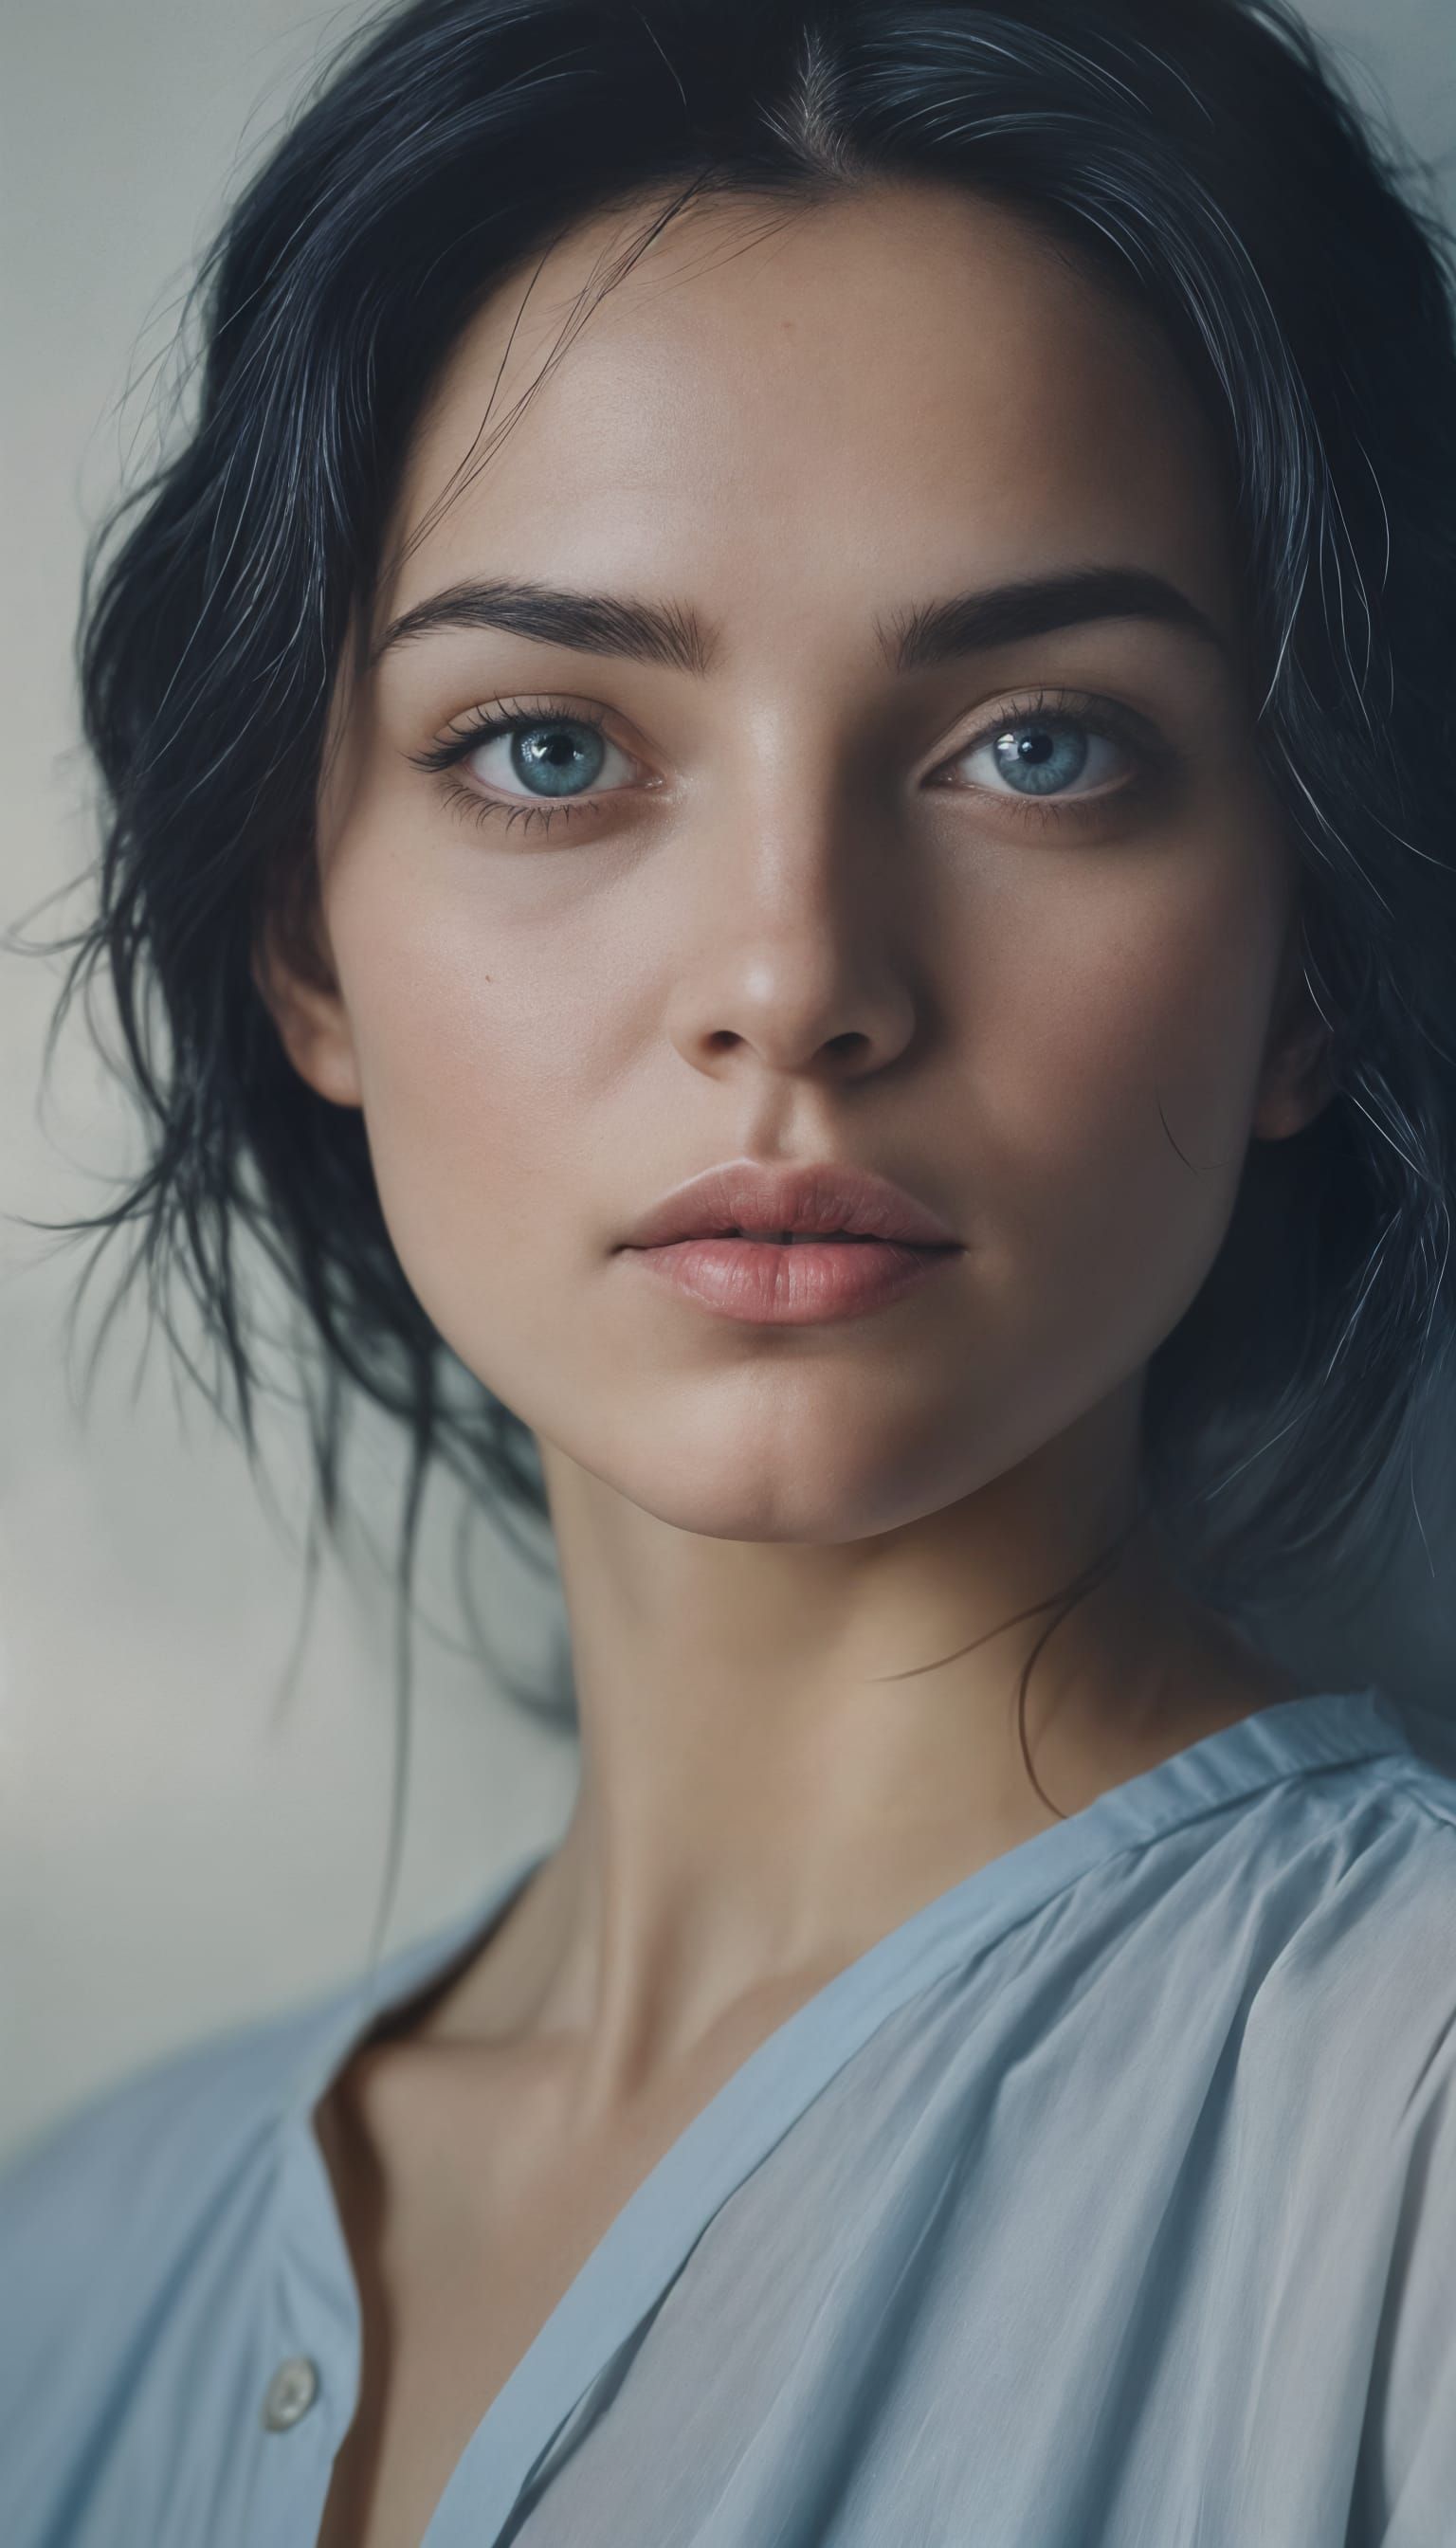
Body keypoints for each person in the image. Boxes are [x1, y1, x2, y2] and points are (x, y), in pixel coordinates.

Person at [5, 0, 1456, 2539]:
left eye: (1041, 746)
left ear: (1307, 966)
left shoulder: (1405, 2135)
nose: (791, 979)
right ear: (302, 948)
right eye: (550, 748)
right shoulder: (62, 2279)